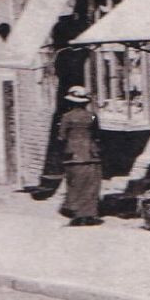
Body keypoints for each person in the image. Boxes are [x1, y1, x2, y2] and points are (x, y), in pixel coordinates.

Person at [56, 85, 103, 226]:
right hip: (92, 155)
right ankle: (89, 215)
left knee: (75, 184)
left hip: (74, 156)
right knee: (91, 184)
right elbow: (97, 134)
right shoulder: (92, 116)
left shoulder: (67, 117)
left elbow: (61, 137)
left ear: (71, 102)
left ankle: (77, 214)